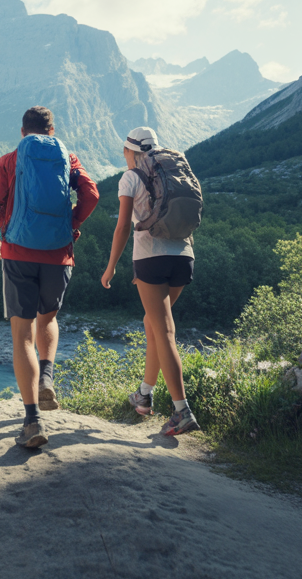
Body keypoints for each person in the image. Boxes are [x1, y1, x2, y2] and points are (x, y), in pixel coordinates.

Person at [0, 106, 99, 448]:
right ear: (52, 131)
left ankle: (32, 420)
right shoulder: (68, 158)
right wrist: (71, 224)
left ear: (23, 132)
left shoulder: (9, 160)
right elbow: (91, 194)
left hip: (18, 252)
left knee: (22, 330)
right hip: (58, 254)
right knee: (47, 319)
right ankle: (47, 376)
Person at [100, 126, 201, 436]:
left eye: (125, 152)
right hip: (184, 257)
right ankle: (144, 394)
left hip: (150, 259)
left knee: (164, 330)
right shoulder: (174, 172)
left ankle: (182, 411)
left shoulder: (131, 177)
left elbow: (122, 229)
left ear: (132, 151)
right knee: (153, 324)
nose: (124, 157)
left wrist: (111, 267)